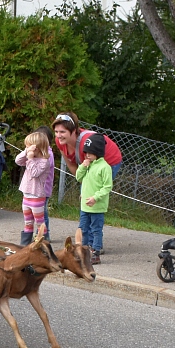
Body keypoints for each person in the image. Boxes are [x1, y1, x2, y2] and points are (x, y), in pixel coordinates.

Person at [51, 112, 123, 179]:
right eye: (56, 131)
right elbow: (71, 165)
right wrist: (81, 180)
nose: (58, 135)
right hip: (89, 162)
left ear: (74, 130)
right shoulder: (59, 141)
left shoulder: (86, 144)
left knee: (95, 189)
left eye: (62, 132)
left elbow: (92, 176)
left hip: (110, 160)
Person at [75, 133, 111, 264]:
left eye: (90, 152)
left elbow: (107, 187)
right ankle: (84, 250)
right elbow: (78, 177)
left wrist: (95, 198)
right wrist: (83, 166)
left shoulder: (104, 167)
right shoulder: (87, 165)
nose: (87, 155)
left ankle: (95, 252)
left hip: (97, 206)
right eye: (86, 152)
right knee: (83, 228)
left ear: (98, 152)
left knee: (96, 230)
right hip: (85, 205)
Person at [15, 130, 53, 245]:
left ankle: (43, 242)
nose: (27, 149)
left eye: (28, 146)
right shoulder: (29, 157)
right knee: (28, 222)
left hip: (36, 196)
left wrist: (30, 159)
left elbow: (34, 173)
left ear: (36, 148)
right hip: (26, 195)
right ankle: (25, 245)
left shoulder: (44, 162)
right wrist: (26, 152)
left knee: (39, 222)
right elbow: (18, 161)